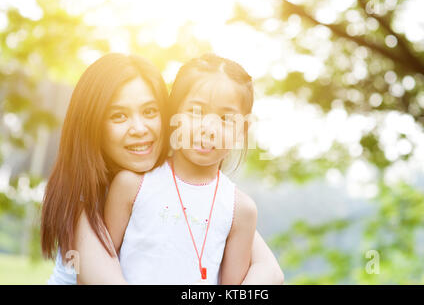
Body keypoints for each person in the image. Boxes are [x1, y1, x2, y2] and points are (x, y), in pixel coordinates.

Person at [41, 53, 284, 285]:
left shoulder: (232, 205)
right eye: (118, 116)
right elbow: (100, 278)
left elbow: (268, 270)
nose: (139, 128)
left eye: (149, 111)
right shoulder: (91, 197)